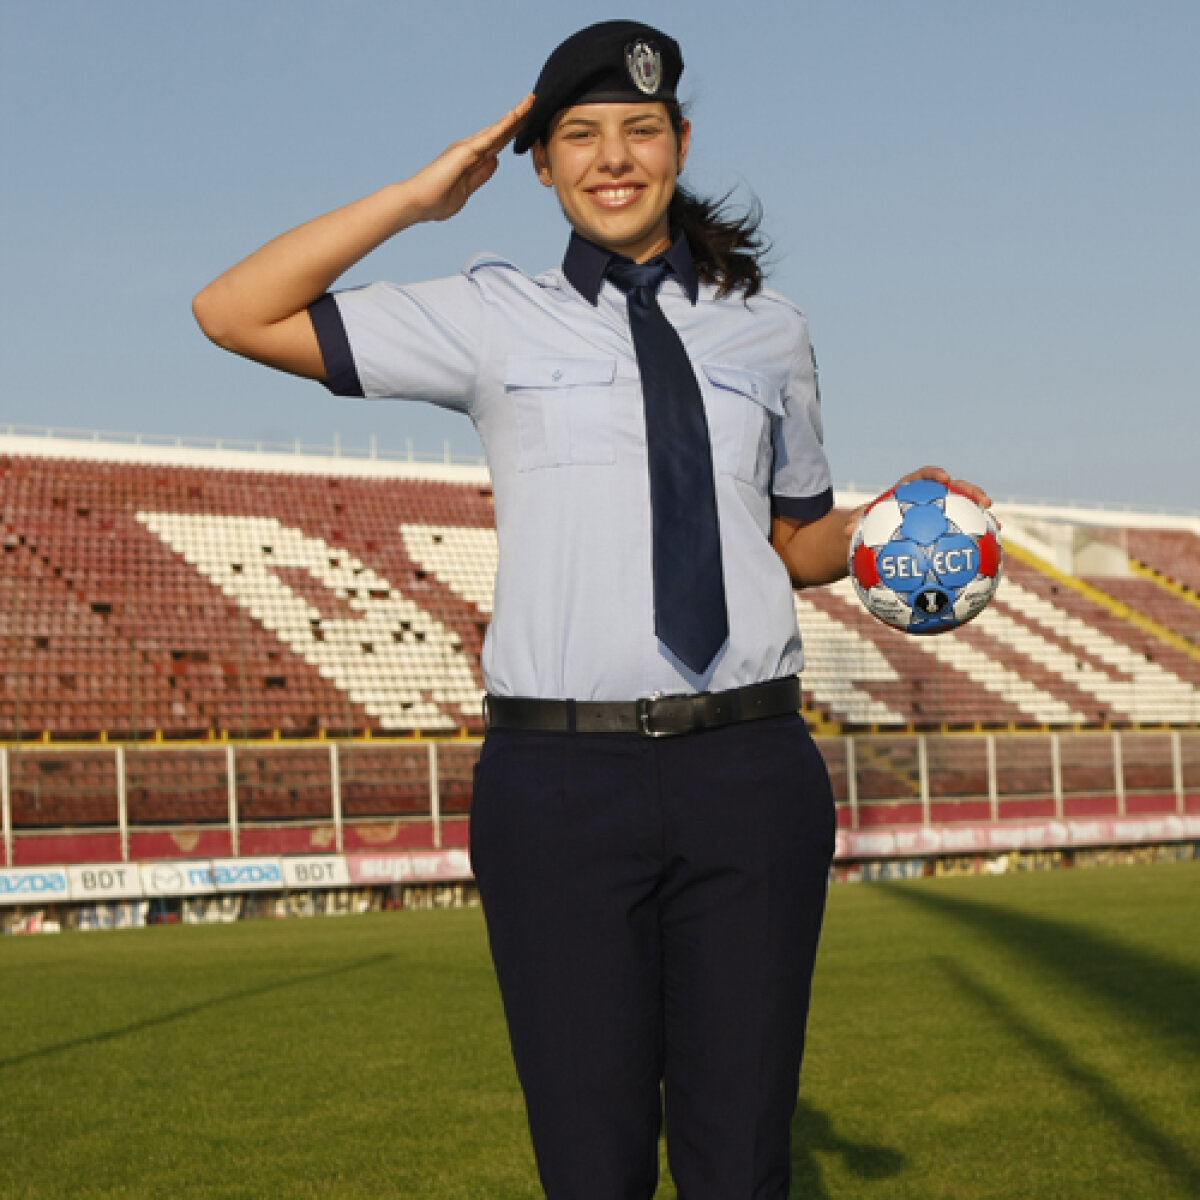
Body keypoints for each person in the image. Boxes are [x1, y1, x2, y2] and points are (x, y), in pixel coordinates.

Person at [194, 20, 989, 1199]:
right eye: (579, 135)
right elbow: (233, 310)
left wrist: (895, 539)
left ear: (678, 143)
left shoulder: (771, 329)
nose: (613, 157)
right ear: (540, 162)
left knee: (742, 1164)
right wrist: (420, 198)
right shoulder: (488, 315)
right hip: (560, 784)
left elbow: (790, 539)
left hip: (752, 770)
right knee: (591, 1166)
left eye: (638, 130)